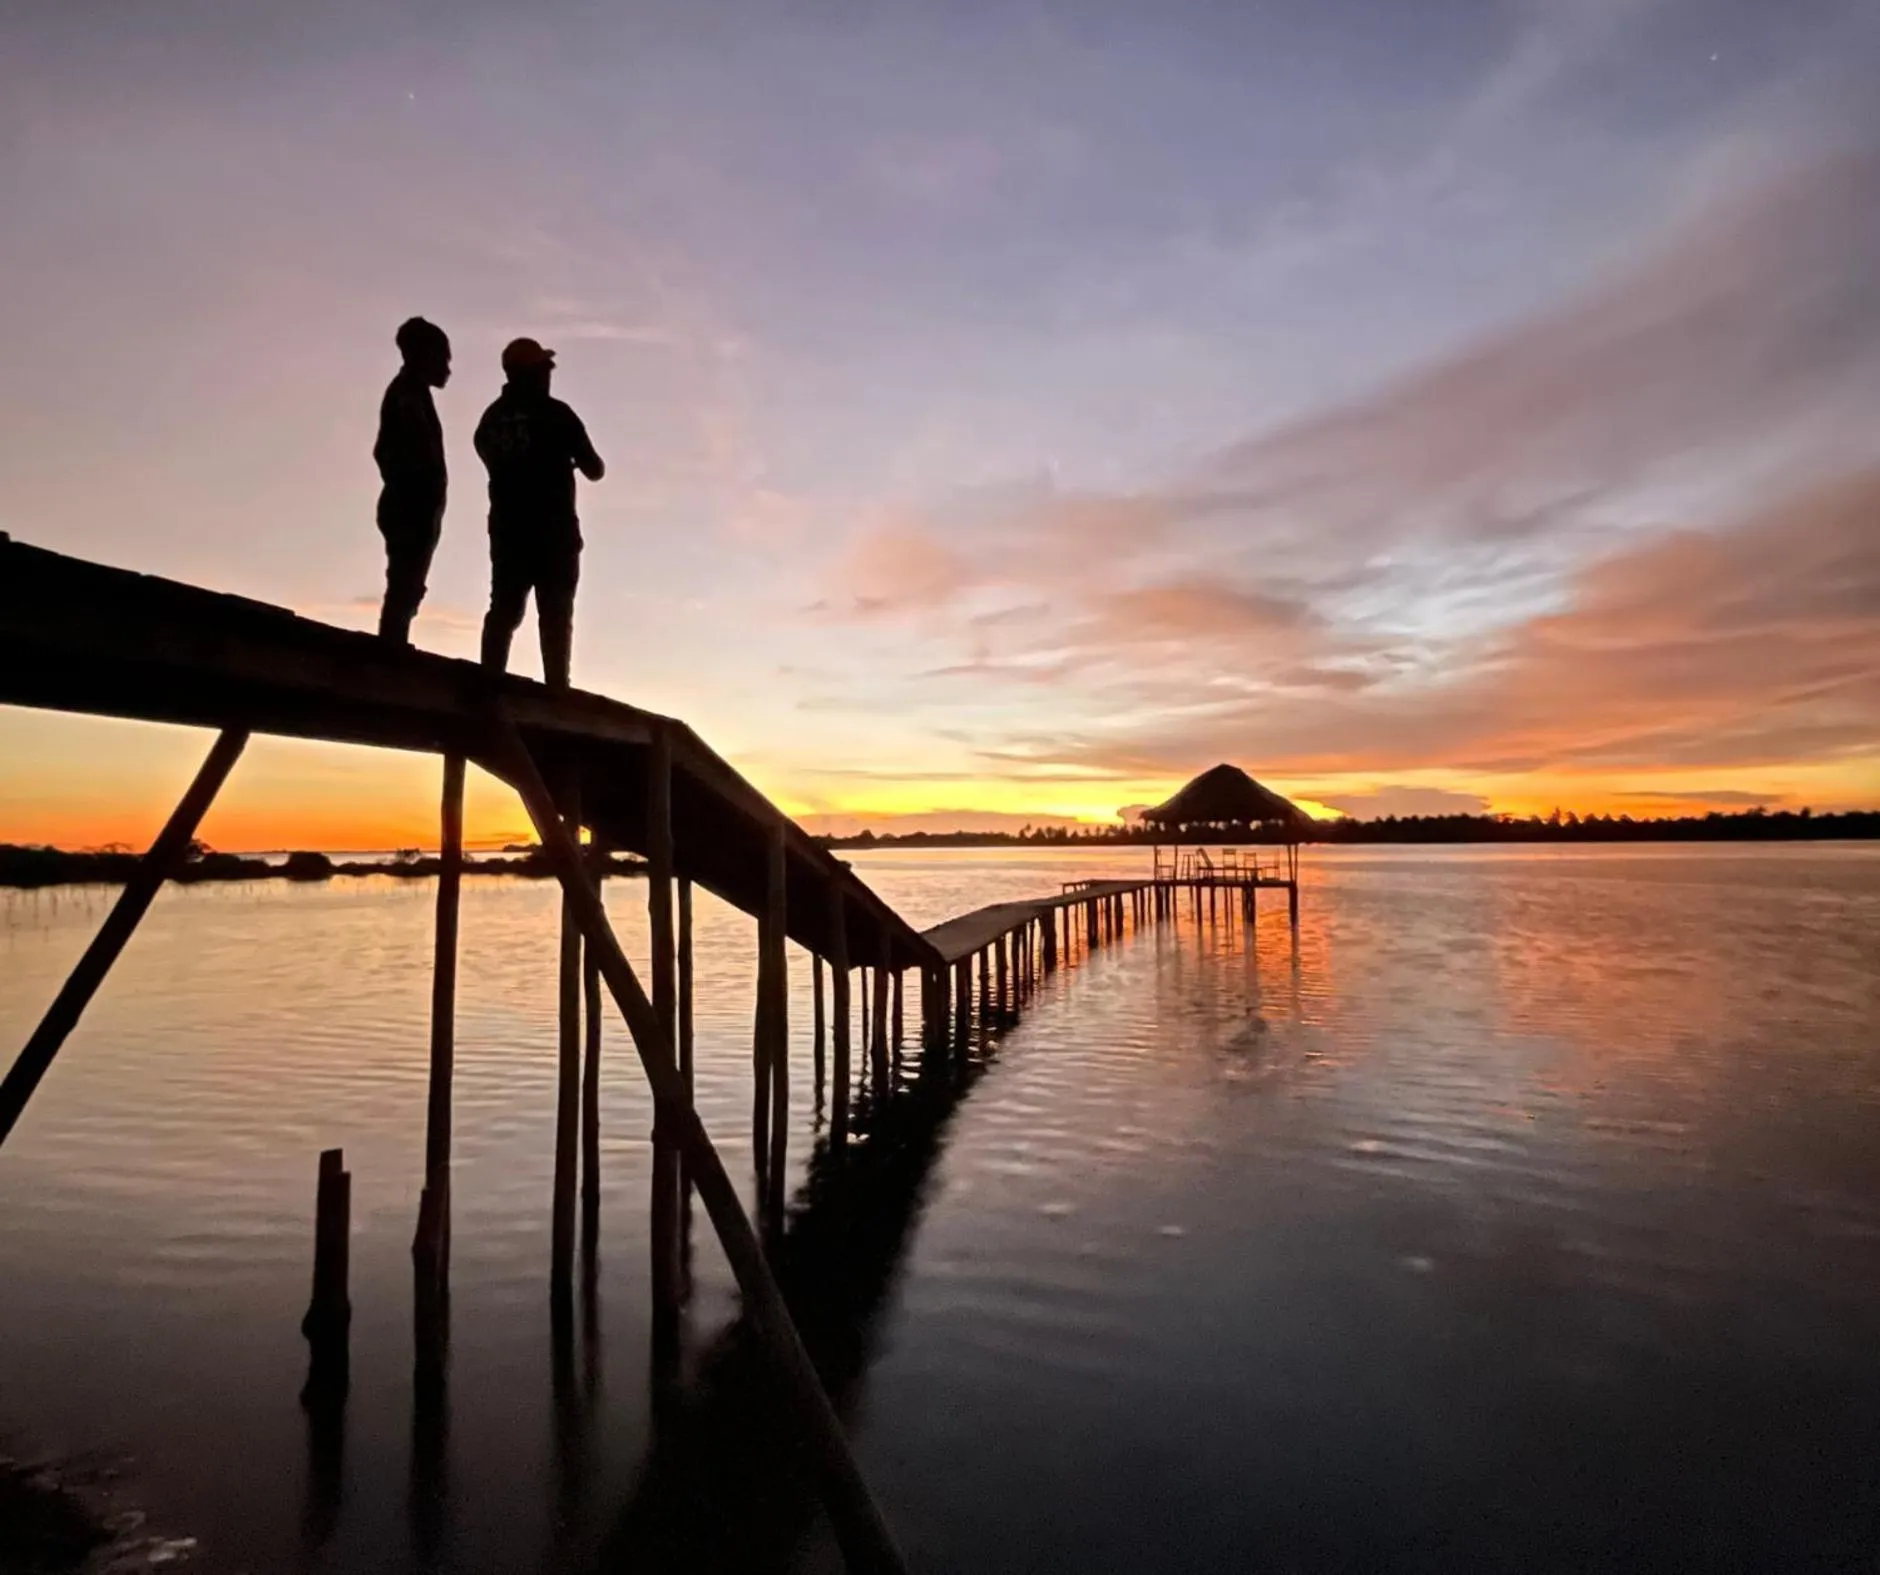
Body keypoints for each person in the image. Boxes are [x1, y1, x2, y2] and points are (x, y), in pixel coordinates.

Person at [474, 337, 605, 689]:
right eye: (545, 369)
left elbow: (488, 456)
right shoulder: (557, 415)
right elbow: (595, 468)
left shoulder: (490, 421)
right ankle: (556, 689)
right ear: (532, 374)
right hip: (554, 533)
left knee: (503, 608)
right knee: (556, 613)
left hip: (507, 532)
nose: (550, 375)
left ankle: (490, 680)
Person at [373, 316, 452, 644]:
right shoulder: (406, 395)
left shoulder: (413, 394)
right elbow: (389, 452)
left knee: (408, 584)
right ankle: (392, 647)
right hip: (410, 506)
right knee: (405, 583)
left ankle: (395, 642)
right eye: (443, 357)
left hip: (416, 505)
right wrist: (417, 490)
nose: (447, 367)